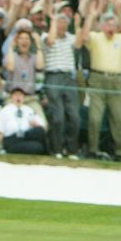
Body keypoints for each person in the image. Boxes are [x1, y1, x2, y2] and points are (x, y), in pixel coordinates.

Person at [75, 10, 121, 161]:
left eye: (113, 24)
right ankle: (93, 149)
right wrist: (90, 16)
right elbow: (83, 37)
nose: (110, 26)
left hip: (116, 80)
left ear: (118, 26)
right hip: (97, 78)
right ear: (102, 26)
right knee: (94, 118)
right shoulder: (96, 37)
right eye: (107, 23)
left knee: (120, 119)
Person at [42, 11, 80, 159]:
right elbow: (51, 41)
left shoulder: (70, 38)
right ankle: (56, 148)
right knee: (58, 116)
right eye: (59, 23)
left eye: (64, 23)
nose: (61, 26)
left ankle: (71, 149)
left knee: (74, 116)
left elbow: (79, 44)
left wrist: (77, 24)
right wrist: (53, 21)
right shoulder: (46, 36)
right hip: (53, 76)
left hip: (69, 77)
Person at [0, 85, 47, 154]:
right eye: (16, 95)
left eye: (21, 95)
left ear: (24, 98)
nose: (18, 97)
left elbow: (42, 126)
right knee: (38, 148)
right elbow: (0, 132)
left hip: (25, 136)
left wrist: (35, 124)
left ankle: (47, 151)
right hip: (12, 139)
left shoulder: (28, 110)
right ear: (12, 97)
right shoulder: (5, 110)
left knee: (39, 131)